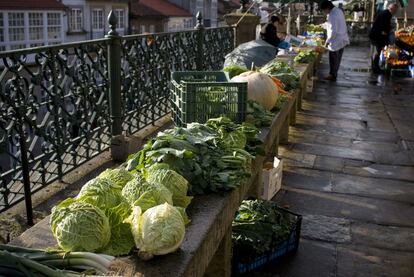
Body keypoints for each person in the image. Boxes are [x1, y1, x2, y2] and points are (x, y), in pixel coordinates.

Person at [320, 0, 350, 81]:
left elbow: (333, 31)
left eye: (323, 10)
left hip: (336, 40)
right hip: (342, 38)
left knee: (333, 58)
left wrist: (327, 42)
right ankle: (334, 74)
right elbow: (332, 25)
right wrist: (324, 25)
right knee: (337, 59)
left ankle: (332, 75)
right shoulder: (338, 11)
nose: (323, 12)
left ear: (328, 8)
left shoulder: (333, 15)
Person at [369, 3, 398, 74]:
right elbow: (384, 26)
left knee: (377, 52)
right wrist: (388, 31)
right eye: (395, 11)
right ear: (392, 9)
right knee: (377, 52)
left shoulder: (386, 13)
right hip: (377, 36)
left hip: (377, 35)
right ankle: (375, 68)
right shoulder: (386, 14)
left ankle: (375, 67)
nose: (395, 12)